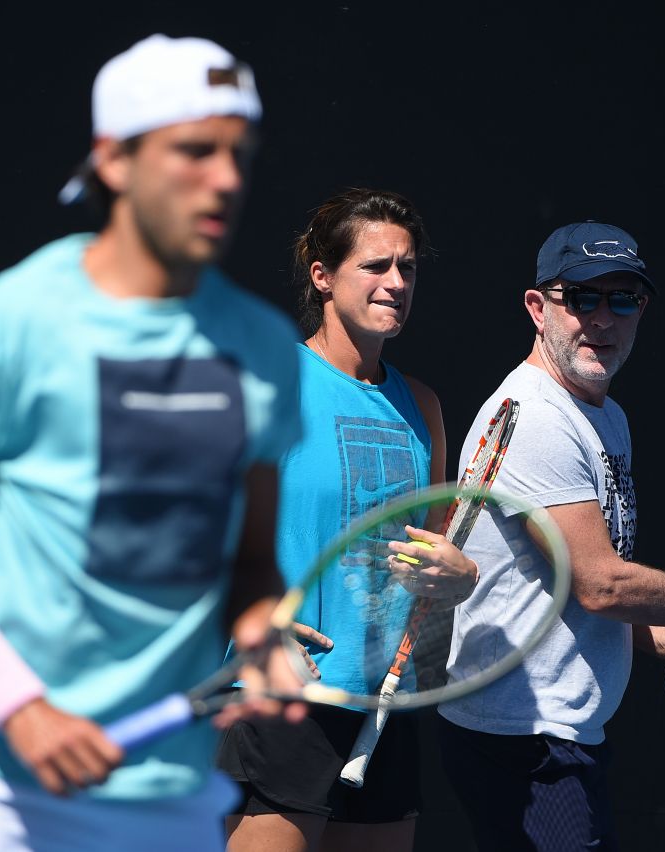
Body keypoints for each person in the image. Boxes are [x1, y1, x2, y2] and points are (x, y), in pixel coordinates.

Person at [0, 35, 304, 852]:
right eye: (194, 152)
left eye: (239, 154)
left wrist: (262, 632)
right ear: (114, 160)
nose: (227, 180)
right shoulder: (8, 322)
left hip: (167, 801)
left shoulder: (266, 348)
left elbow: (249, 562)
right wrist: (19, 706)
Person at [435, 221, 665, 851]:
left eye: (622, 300)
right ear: (538, 308)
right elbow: (599, 583)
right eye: (582, 298)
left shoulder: (604, 415)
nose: (602, 319)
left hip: (559, 733)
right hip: (525, 737)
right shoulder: (537, 417)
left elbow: (566, 585)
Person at [218, 188, 477, 852]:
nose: (396, 283)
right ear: (323, 277)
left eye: (408, 268)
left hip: (383, 709)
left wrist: (456, 575)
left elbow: (435, 548)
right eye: (376, 266)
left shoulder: (423, 406)